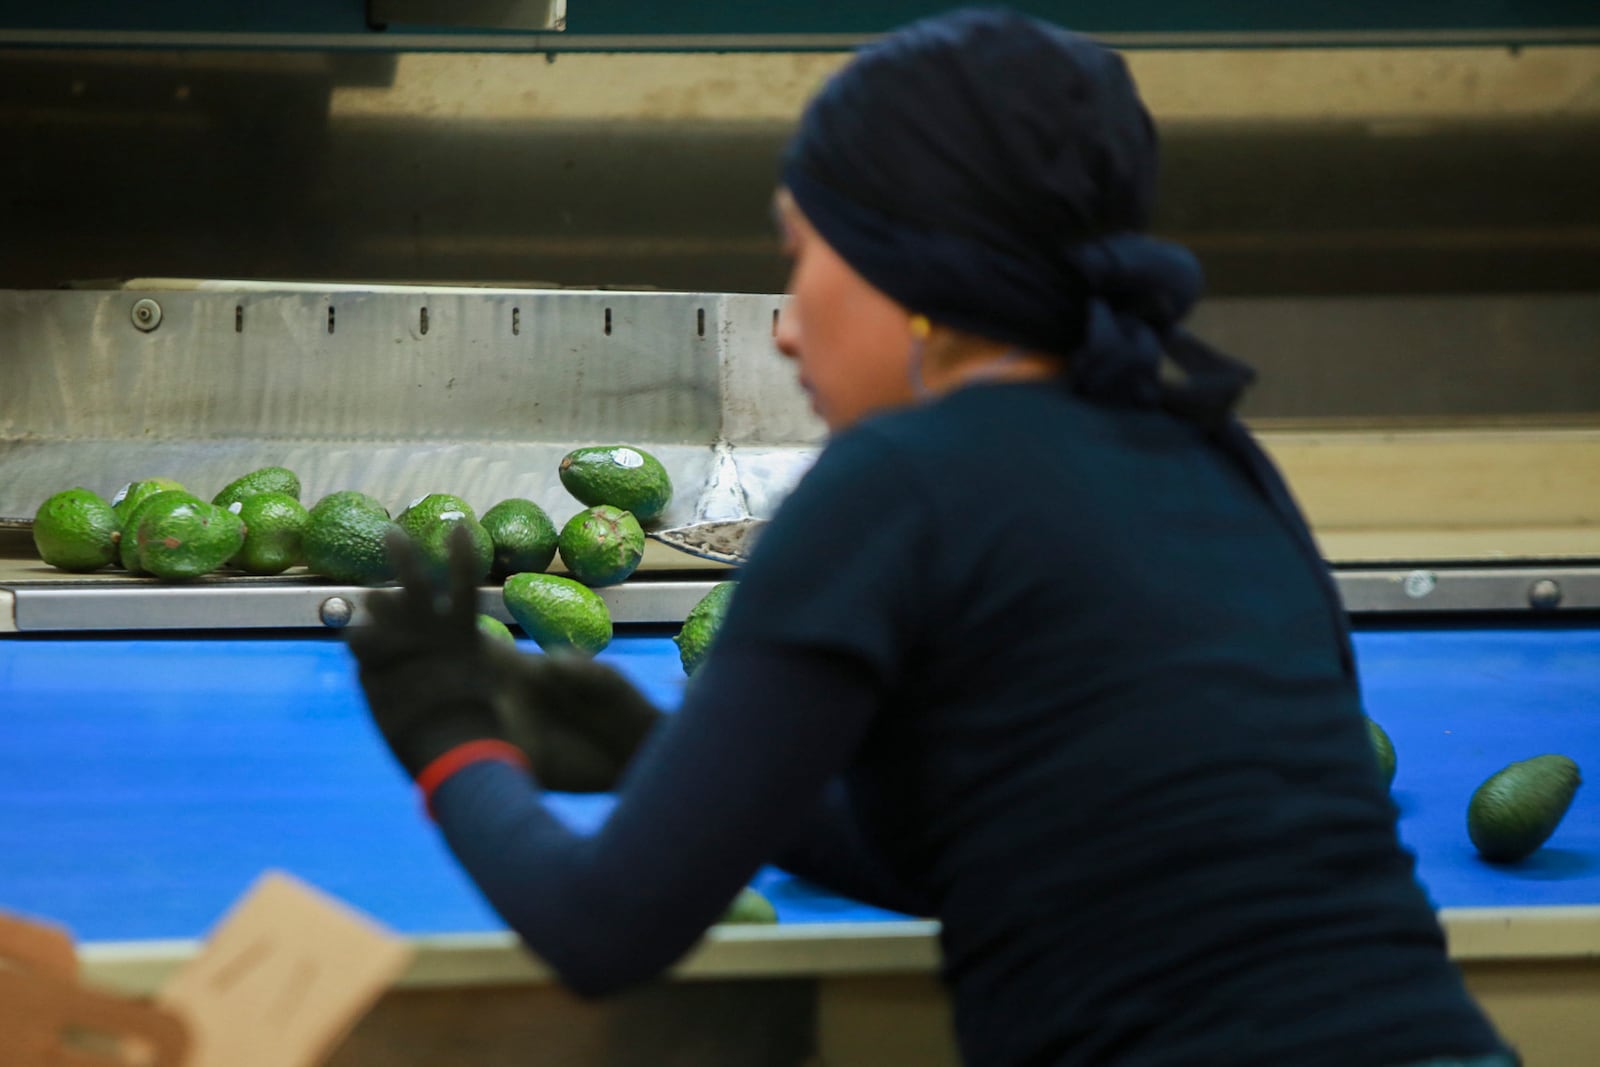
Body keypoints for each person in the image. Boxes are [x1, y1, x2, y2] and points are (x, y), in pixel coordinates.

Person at [347, 9, 1516, 1066]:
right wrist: (659, 756)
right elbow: (992, 855)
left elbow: (605, 928)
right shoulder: (1216, 457)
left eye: (803, 254)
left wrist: (443, 729)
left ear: (915, 270)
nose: (791, 327)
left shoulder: (898, 479)